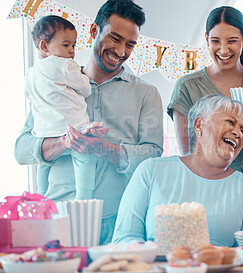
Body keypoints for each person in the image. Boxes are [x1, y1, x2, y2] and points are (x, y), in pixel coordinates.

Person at [14, 0, 163, 244]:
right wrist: (66, 142)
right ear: (94, 31)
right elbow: (21, 150)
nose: (122, 51)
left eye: (130, 44)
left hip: (118, 225)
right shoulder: (56, 83)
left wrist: (103, 149)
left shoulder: (146, 93)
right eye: (115, 38)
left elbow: (152, 156)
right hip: (56, 222)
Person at [113, 95, 243, 247]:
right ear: (199, 125)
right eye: (230, 122)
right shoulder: (151, 170)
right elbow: (125, 238)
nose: (238, 133)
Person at [167, 6, 243, 179]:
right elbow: (187, 155)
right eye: (215, 41)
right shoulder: (187, 87)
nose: (223, 50)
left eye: (232, 41)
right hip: (211, 185)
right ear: (206, 39)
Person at [26, 15, 99, 200]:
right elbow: (85, 89)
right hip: (73, 126)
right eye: (66, 45)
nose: (72, 51)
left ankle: (40, 197)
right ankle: (83, 198)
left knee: (44, 163)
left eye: (74, 45)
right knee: (85, 156)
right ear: (44, 46)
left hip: (44, 132)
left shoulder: (32, 72)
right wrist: (83, 76)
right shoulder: (65, 65)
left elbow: (30, 96)